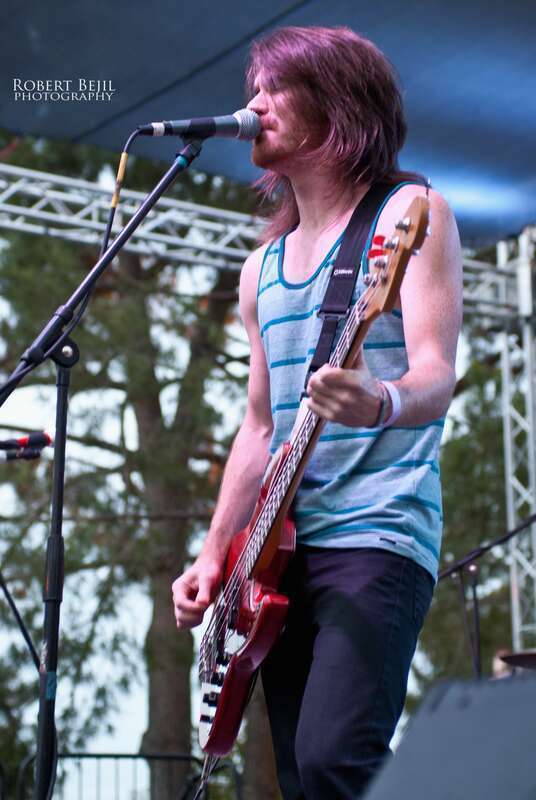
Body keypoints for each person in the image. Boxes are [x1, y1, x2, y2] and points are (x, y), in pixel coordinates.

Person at [172, 25, 463, 800]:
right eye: (252, 90)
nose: (252, 105)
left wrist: (380, 399)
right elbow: (260, 429)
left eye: (274, 90)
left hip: (378, 530)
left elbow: (438, 373)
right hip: (275, 554)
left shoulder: (410, 213)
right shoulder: (259, 270)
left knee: (339, 756)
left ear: (338, 105)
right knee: (302, 775)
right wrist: (212, 556)